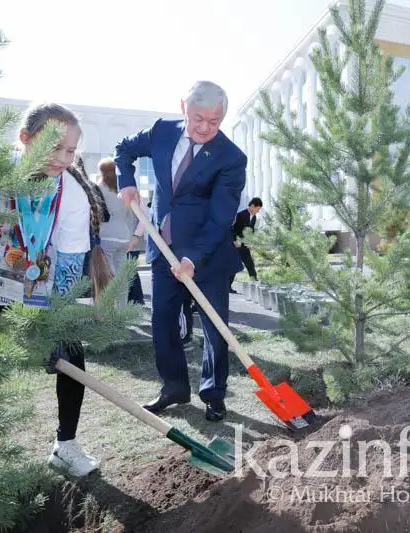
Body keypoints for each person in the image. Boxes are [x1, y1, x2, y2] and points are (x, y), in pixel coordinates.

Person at [115, 81, 246, 422]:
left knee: (215, 327)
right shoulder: (161, 132)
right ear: (182, 108)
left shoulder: (231, 158)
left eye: (214, 122)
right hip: (163, 245)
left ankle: (213, 393)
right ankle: (173, 386)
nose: (204, 127)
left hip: (208, 254)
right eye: (197, 118)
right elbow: (123, 149)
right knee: (162, 322)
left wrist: (193, 259)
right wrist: (126, 180)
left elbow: (220, 218)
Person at [10, 103, 110, 476]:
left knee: (71, 350)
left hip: (40, 285)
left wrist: (54, 322)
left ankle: (65, 445)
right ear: (25, 139)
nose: (62, 158)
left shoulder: (72, 195)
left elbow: (68, 268)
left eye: (69, 150)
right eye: (53, 147)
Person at [230, 197, 262, 292]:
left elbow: (250, 232)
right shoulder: (240, 215)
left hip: (245, 245)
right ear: (252, 206)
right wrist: (235, 240)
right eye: (257, 209)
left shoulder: (254, 217)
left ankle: (255, 282)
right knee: (235, 265)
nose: (258, 211)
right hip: (236, 245)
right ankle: (227, 286)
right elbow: (233, 229)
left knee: (250, 263)